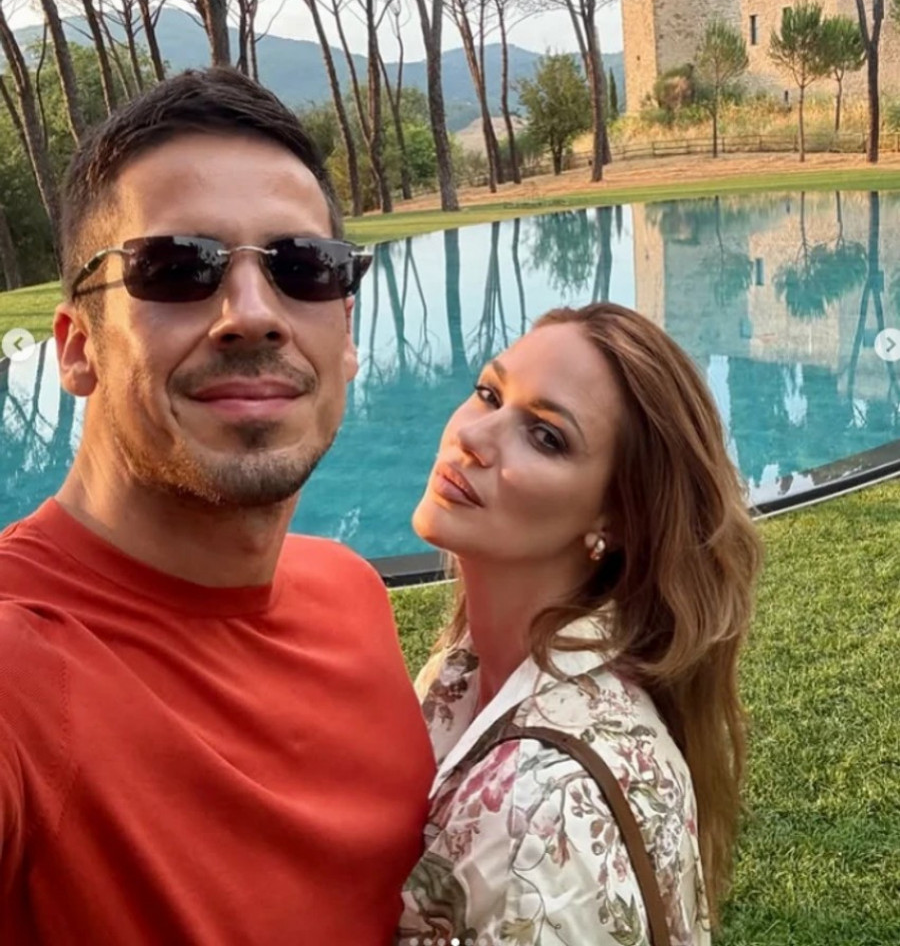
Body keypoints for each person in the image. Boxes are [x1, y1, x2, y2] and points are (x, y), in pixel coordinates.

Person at [0, 69, 435, 945]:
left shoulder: (349, 593)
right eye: (176, 268)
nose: (252, 314)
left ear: (347, 337)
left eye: (303, 267)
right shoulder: (24, 666)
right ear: (78, 348)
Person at [397, 303, 763, 946]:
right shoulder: (477, 666)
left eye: (546, 436)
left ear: (615, 519)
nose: (473, 437)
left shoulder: (541, 814)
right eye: (489, 394)